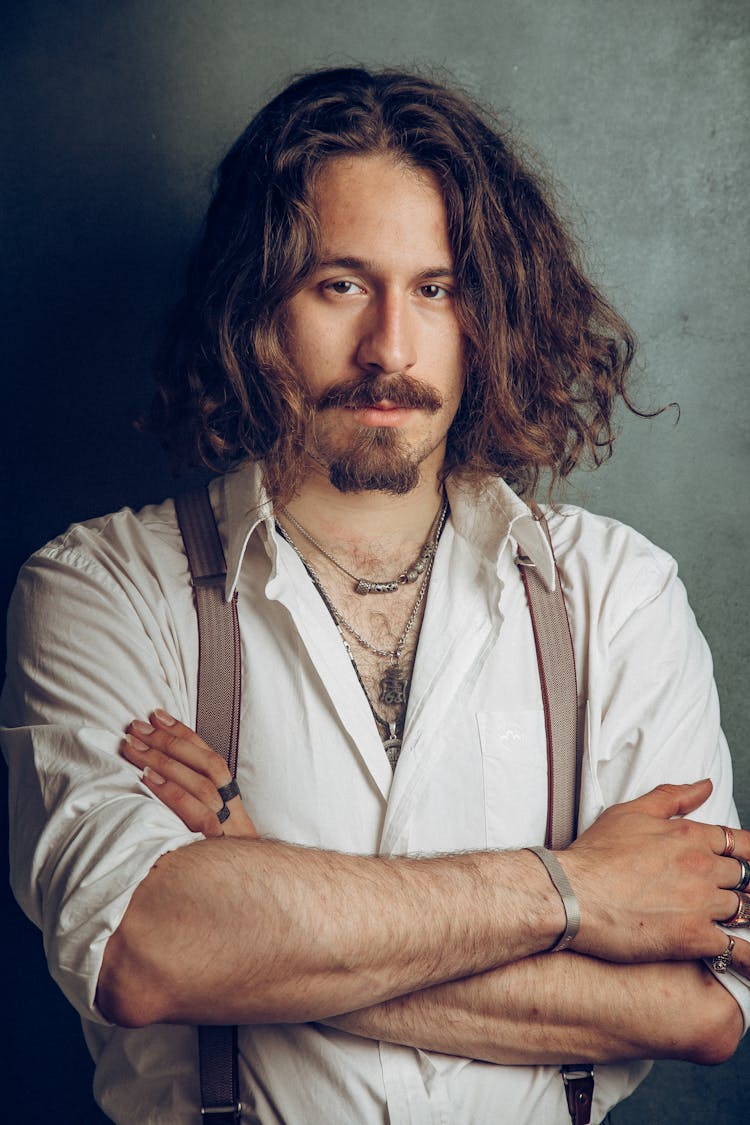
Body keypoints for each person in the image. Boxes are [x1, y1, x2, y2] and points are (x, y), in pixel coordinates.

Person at [2, 66, 749, 1125]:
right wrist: (575, 891)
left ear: (490, 315)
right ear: (254, 304)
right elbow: (151, 953)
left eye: (437, 289)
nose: (390, 349)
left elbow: (699, 1009)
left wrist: (261, 901)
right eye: (340, 283)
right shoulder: (102, 591)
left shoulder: (615, 593)